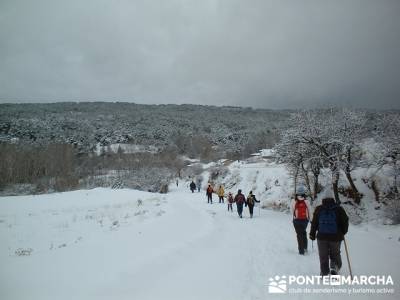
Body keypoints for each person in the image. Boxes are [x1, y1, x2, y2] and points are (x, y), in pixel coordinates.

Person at [309, 189, 349, 276]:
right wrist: (343, 232)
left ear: (323, 198)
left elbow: (314, 223)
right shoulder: (339, 209)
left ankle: (324, 271)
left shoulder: (319, 209)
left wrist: (312, 234)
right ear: (333, 198)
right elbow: (345, 222)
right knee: (335, 253)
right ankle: (334, 266)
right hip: (335, 237)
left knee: (323, 255)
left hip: (322, 237)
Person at [291, 186, 311, 255]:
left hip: (296, 220)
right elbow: (310, 211)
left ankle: (301, 251)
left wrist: (294, 218)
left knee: (299, 235)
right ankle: (305, 247)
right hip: (305, 220)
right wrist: (310, 219)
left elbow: (292, 210)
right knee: (303, 232)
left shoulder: (293, 201)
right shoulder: (306, 201)